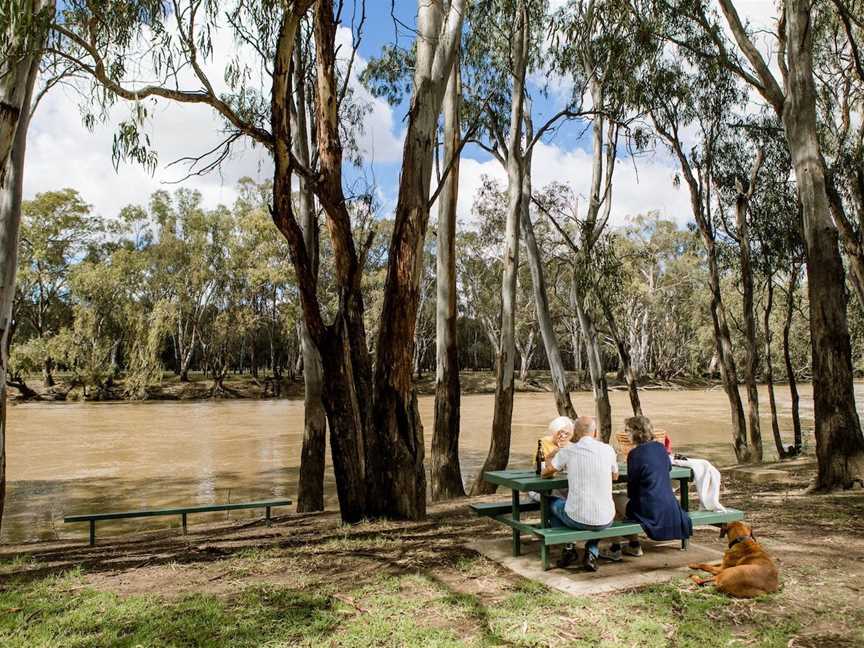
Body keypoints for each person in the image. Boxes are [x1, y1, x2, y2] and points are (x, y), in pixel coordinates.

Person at [609, 415, 692, 559]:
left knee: (611, 499)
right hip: (670, 506)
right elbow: (667, 469)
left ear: (636, 432)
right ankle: (633, 545)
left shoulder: (635, 454)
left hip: (649, 510)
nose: (625, 433)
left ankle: (615, 548)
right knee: (622, 500)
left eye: (627, 430)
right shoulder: (660, 448)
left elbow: (633, 487)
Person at [542, 416, 618, 571]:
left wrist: (554, 455)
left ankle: (568, 549)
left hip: (577, 518)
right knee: (596, 512)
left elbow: (546, 473)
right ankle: (591, 553)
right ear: (595, 432)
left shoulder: (569, 451)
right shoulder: (608, 449)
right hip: (607, 518)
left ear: (575, 433)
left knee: (552, 501)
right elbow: (615, 476)